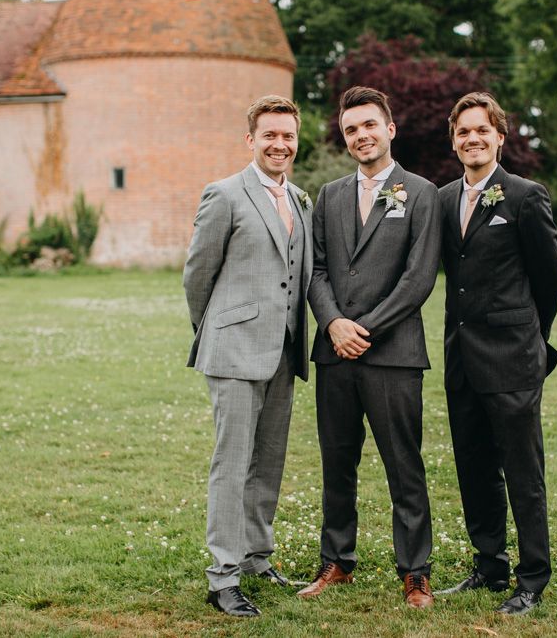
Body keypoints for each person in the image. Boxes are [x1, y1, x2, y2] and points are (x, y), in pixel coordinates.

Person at [300, 86, 440, 609]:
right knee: (337, 462)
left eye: (369, 125)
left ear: (390, 129)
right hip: (334, 353)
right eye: (351, 129)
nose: (361, 136)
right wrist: (334, 322)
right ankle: (336, 563)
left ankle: (415, 572)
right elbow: (314, 268)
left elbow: (419, 277)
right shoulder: (330, 195)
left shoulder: (421, 192)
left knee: (404, 465)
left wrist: (366, 329)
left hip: (394, 354)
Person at [183, 95, 312, 617]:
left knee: (268, 462)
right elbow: (197, 275)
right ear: (251, 140)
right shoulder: (224, 194)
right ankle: (223, 577)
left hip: (283, 351)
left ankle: (257, 558)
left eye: (288, 136)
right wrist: (215, 328)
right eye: (269, 136)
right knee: (231, 464)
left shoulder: (301, 199)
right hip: (234, 351)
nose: (279, 145)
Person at [438, 91, 557, 615]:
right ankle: (489, 564)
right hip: (461, 358)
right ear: (454, 140)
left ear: (499, 136)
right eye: (463, 131)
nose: (473, 138)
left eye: (481, 130)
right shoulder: (443, 200)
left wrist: (531, 339)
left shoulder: (525, 196)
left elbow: (550, 280)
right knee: (473, 465)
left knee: (522, 470)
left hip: (513, 357)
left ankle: (532, 576)